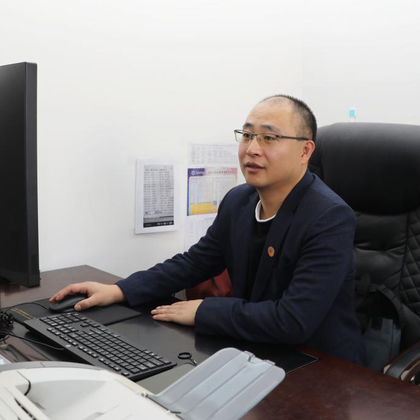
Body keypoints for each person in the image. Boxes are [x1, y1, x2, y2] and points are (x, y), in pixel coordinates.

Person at [50, 95, 367, 365]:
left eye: (268, 138)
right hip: (256, 349)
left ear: (305, 151)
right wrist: (120, 290)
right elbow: (194, 263)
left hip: (320, 364)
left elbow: (293, 320)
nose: (252, 149)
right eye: (246, 135)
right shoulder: (238, 200)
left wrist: (205, 311)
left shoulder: (329, 217)